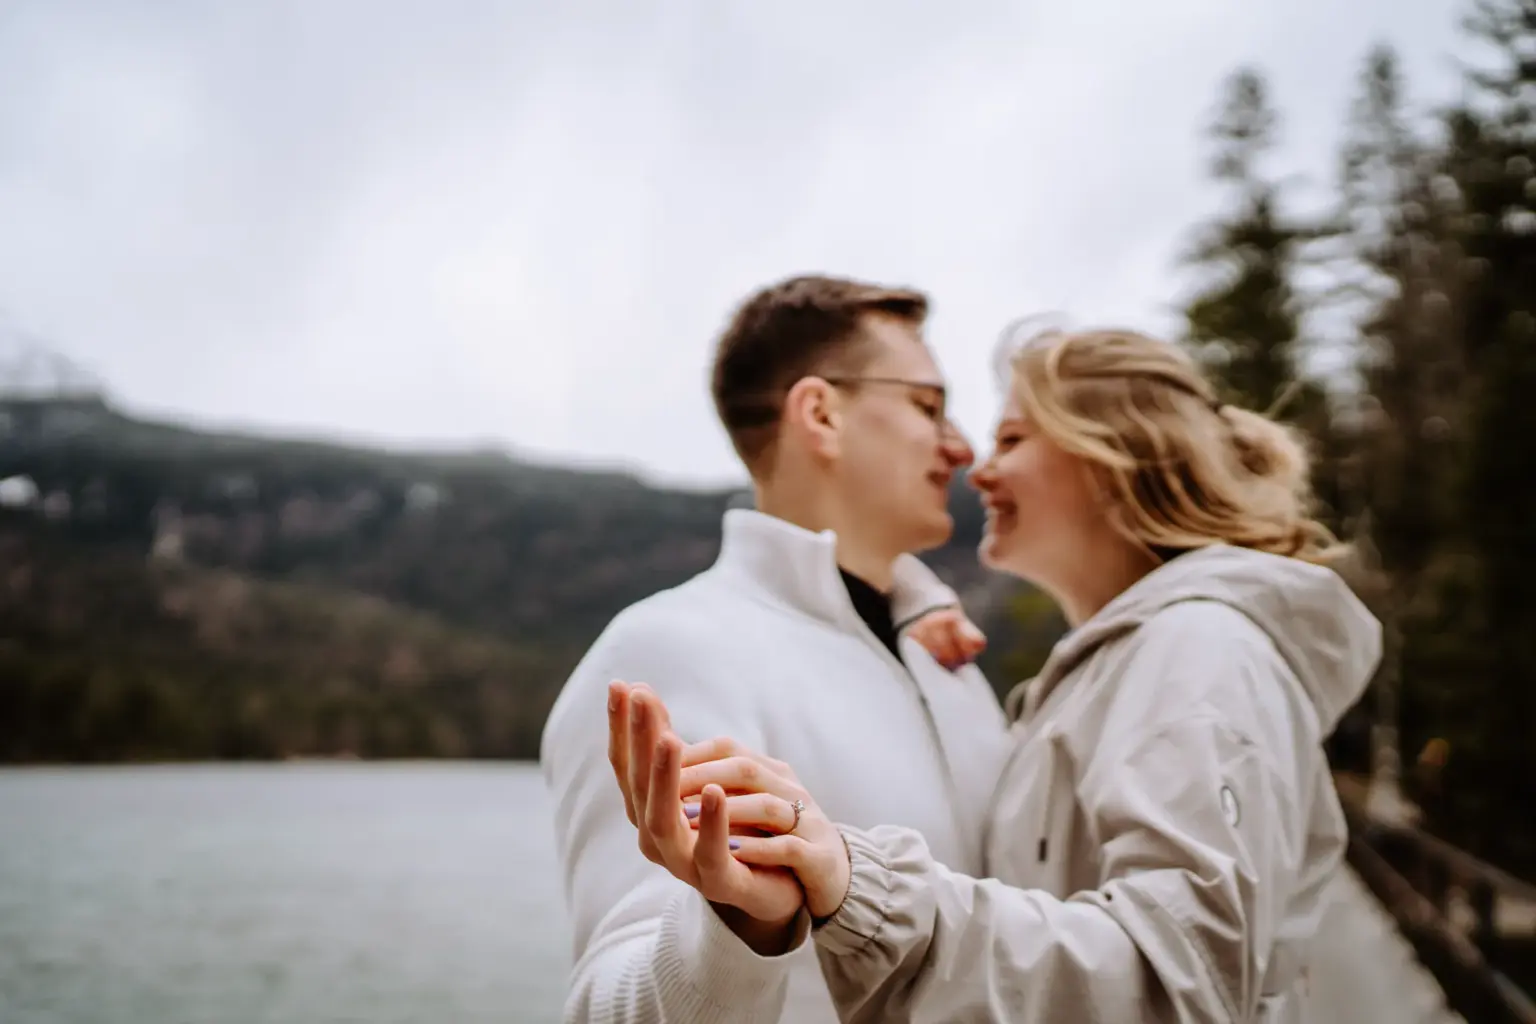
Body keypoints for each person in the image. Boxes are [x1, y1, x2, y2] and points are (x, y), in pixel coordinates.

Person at [611, 323, 1384, 1022]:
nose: (975, 466)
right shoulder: (1099, 667)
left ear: (1112, 460)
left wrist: (861, 886)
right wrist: (889, 656)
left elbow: (1182, 975)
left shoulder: (1199, 649)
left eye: (1011, 437)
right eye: (933, 410)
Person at [539, 274, 1015, 1022]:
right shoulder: (668, 650)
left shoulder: (952, 666)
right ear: (820, 414)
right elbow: (607, 1006)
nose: (961, 447)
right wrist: (734, 930)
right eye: (928, 406)